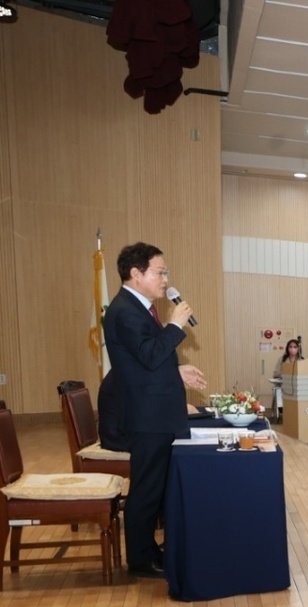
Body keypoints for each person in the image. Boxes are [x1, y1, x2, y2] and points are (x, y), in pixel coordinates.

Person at [102, 242, 204, 578]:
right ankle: (141, 561)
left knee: (153, 486)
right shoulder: (124, 310)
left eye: (165, 272)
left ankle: (148, 549)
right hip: (146, 417)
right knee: (146, 489)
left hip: (153, 411)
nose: (165, 279)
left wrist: (176, 371)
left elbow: (142, 362)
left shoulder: (139, 307)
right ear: (136, 273)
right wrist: (175, 325)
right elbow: (148, 355)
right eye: (160, 272)